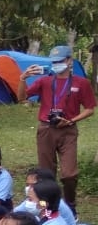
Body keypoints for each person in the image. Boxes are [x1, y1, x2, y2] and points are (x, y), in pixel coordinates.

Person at [18, 45, 96, 211]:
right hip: (46, 129)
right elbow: (22, 97)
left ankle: (70, 205)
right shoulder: (45, 81)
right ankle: (48, 206)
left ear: (69, 60)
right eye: (53, 62)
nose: (56, 64)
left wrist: (71, 120)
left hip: (68, 130)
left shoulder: (81, 83)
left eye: (60, 61)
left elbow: (90, 109)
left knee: (69, 174)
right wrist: (23, 79)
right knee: (46, 173)